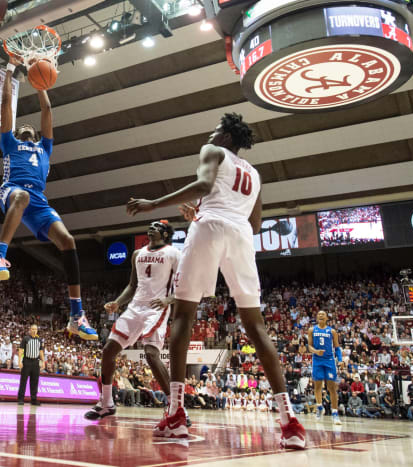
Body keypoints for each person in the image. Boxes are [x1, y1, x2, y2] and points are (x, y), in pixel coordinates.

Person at [126, 113, 306, 448]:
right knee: (256, 326)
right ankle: (290, 422)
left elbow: (206, 187)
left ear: (224, 137)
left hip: (210, 228)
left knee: (183, 314)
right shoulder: (254, 173)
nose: (210, 134)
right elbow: (254, 224)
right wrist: (203, 210)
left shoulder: (212, 151)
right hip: (239, 236)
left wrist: (155, 203)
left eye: (215, 130)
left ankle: (176, 414)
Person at [0, 54, 97, 342]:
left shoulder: (44, 148)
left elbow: (47, 110)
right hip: (12, 190)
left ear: (34, 134)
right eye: (19, 127)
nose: (23, 127)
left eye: (28, 128)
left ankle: (76, 315)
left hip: (39, 200)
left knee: (68, 241)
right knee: (21, 197)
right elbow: (6, 105)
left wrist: (39, 81)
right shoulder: (10, 142)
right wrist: (11, 70)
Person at [85, 221, 180, 420]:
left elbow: (184, 284)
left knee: (151, 354)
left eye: (156, 226)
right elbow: (132, 285)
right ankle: (106, 403)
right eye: (150, 226)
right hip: (135, 307)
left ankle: (176, 406)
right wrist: (118, 303)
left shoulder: (174, 253)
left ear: (164, 233)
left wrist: (168, 300)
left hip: (156, 308)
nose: (151, 227)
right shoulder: (137, 254)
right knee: (108, 350)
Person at [307, 310, 342, 425]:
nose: (320, 315)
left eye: (323, 314)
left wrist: (340, 360)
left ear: (327, 318)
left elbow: (337, 348)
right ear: (317, 318)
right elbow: (309, 347)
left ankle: (335, 413)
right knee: (317, 386)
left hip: (329, 360)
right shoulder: (312, 330)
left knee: (331, 387)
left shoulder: (332, 331)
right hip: (317, 360)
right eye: (318, 314)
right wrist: (316, 351)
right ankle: (319, 406)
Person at [17, 324, 44, 405]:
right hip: (27, 361)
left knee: (35, 381)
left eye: (35, 329)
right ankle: (21, 399)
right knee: (23, 381)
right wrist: (19, 361)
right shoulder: (26, 338)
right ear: (30, 330)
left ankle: (33, 399)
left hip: (36, 362)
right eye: (32, 329)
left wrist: (43, 362)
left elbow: (41, 352)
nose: (34, 330)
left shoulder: (40, 340)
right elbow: (21, 350)